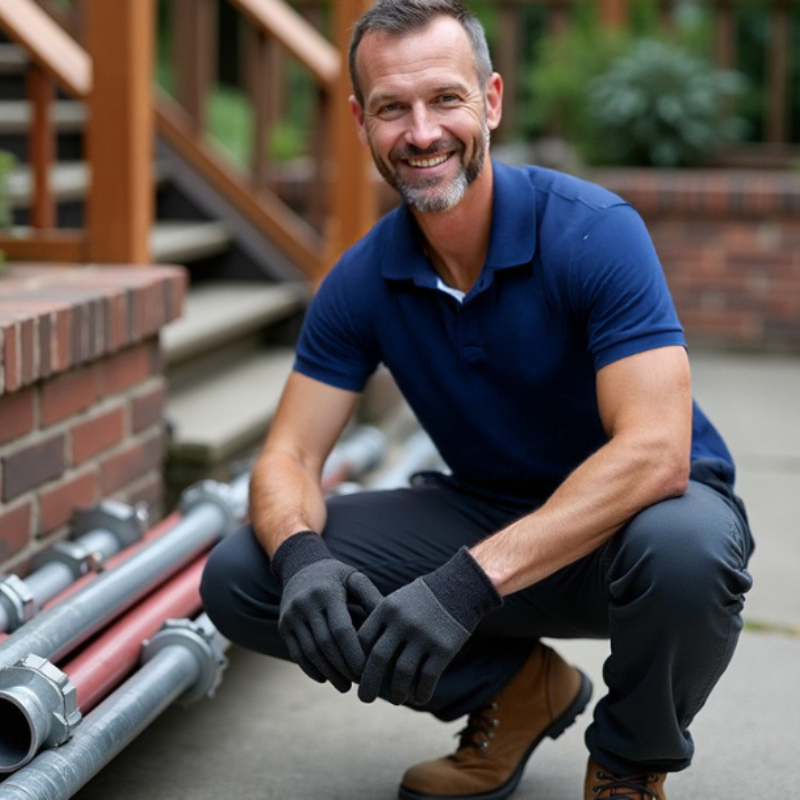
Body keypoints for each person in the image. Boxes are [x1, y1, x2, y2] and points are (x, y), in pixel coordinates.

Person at [200, 2, 754, 798]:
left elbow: (656, 453)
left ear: (491, 101)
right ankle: (513, 691)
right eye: (393, 107)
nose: (421, 132)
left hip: (632, 530)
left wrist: (464, 586)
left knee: (687, 551)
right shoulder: (360, 281)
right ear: (361, 122)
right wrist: (302, 557)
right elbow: (287, 456)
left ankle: (630, 764)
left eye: (446, 100)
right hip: (485, 514)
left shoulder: (595, 232)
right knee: (244, 574)